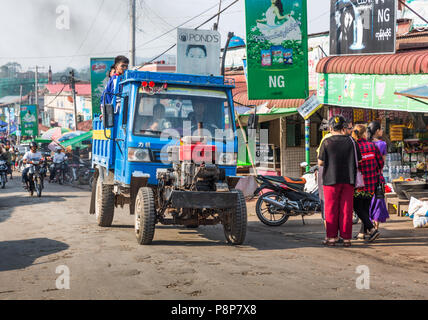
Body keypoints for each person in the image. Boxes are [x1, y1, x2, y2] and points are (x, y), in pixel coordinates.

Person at [318, 116, 361, 247]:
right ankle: (346, 238)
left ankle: (331, 238)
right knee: (346, 209)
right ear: (343, 128)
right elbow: (359, 160)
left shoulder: (326, 142)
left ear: (331, 128)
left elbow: (320, 162)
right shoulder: (352, 142)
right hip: (349, 179)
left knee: (331, 209)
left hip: (330, 180)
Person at [352, 124, 383, 242]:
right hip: (371, 184)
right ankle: (362, 233)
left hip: (359, 185)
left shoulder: (354, 147)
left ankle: (372, 229)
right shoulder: (372, 146)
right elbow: (380, 163)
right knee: (365, 208)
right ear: (364, 133)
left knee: (357, 208)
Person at [367, 121, 389, 229]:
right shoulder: (382, 144)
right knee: (378, 201)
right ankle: (375, 227)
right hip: (377, 177)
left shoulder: (365, 143)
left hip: (365, 178)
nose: (382, 131)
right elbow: (382, 164)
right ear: (377, 131)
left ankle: (367, 227)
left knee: (367, 202)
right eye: (381, 129)